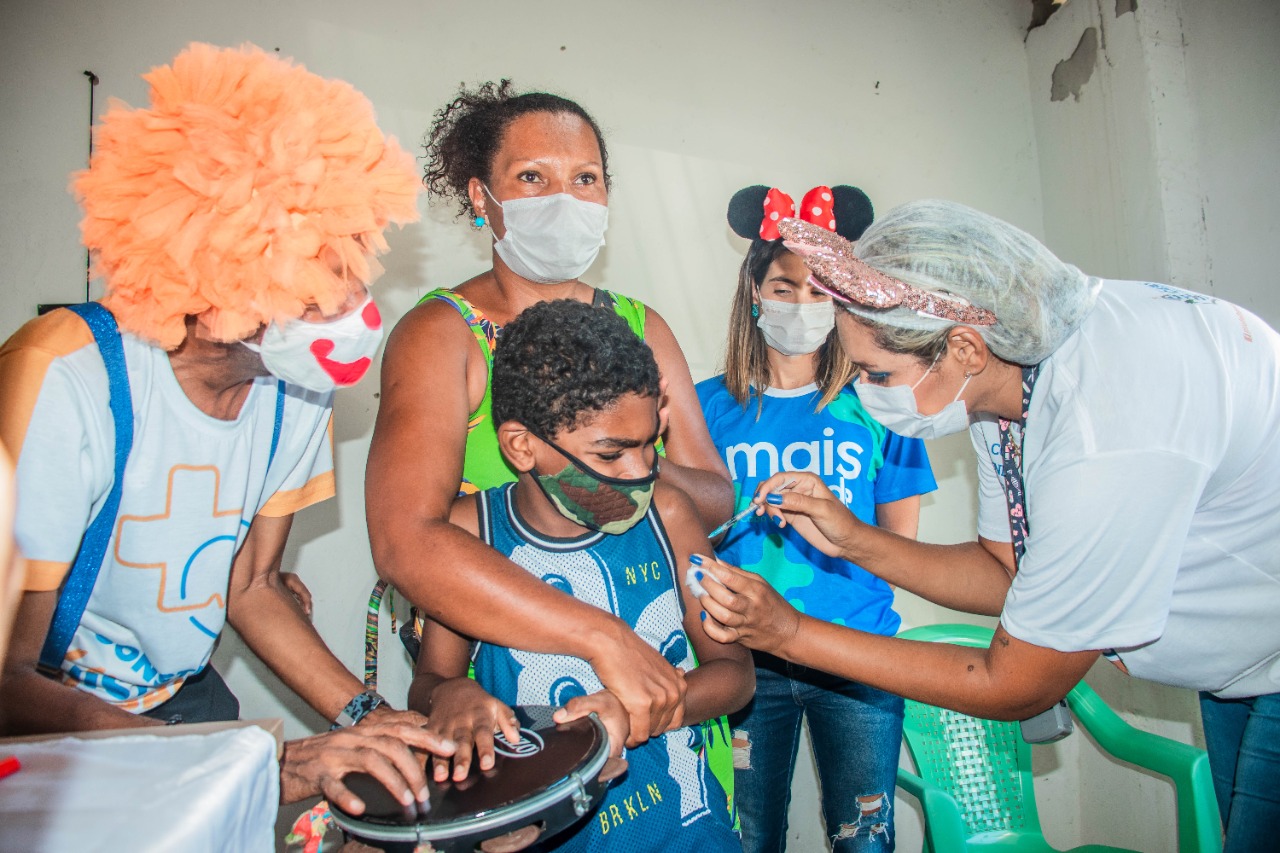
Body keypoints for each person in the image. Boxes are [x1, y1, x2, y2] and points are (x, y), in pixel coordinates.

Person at [694, 199, 1280, 852]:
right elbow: (1006, 574)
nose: (862, 387)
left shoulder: (1106, 427)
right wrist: (851, 536)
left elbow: (1015, 684)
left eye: (876, 373)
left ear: (964, 346)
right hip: (1240, 665)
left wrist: (792, 631)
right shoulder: (1004, 390)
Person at [0, 43, 455, 817]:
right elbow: (8, 678)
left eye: (350, 267)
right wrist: (251, 764)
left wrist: (375, 722)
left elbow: (251, 586)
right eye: (317, 283)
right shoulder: (63, 380)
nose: (354, 311)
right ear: (218, 271)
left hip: (182, 702)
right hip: (51, 729)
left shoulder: (295, 393)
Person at [367, 80, 733, 746]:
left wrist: (620, 457)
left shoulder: (640, 327)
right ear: (483, 198)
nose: (565, 199)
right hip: (506, 689)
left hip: (656, 675)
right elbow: (404, 541)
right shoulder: (442, 334)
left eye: (585, 178)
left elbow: (714, 498)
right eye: (533, 177)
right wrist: (597, 636)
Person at [408, 299, 752, 851]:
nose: (639, 473)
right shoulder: (469, 537)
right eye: (611, 454)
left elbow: (735, 673)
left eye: (648, 446)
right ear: (523, 447)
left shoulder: (670, 514)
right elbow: (430, 681)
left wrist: (653, 710)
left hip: (688, 831)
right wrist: (452, 695)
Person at [697, 185, 935, 852]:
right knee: (745, 838)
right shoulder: (700, 407)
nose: (802, 304)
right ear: (754, 293)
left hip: (861, 657)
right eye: (784, 285)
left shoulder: (885, 402)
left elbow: (900, 549)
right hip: (744, 661)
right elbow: (683, 533)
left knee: (866, 840)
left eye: (819, 289)